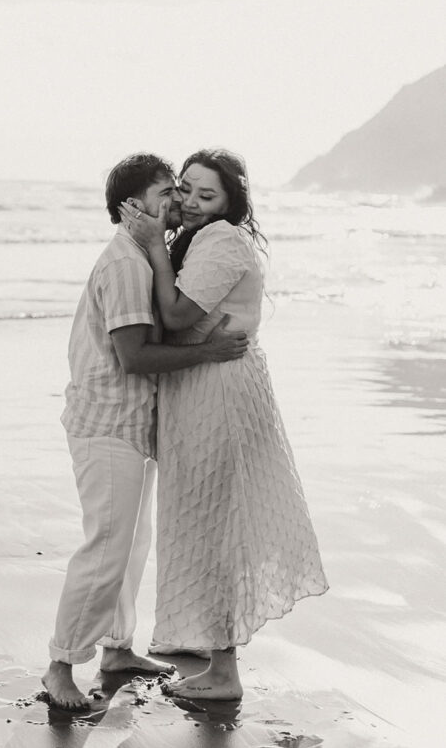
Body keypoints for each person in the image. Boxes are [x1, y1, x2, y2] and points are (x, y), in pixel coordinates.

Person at [42, 152, 249, 711]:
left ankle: (116, 649)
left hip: (132, 424)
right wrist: (209, 351)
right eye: (166, 193)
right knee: (107, 548)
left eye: (179, 192)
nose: (177, 202)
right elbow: (133, 357)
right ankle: (61, 664)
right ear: (133, 207)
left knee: (132, 546)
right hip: (107, 422)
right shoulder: (127, 266)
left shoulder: (145, 256)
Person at [119, 148, 328, 700]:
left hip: (220, 396)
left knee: (214, 522)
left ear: (231, 205)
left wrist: (149, 249)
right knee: (202, 513)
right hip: (206, 388)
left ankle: (223, 672)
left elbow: (176, 316)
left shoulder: (221, 240)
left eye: (206, 195)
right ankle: (206, 639)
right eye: (184, 188)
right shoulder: (197, 239)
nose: (189, 201)